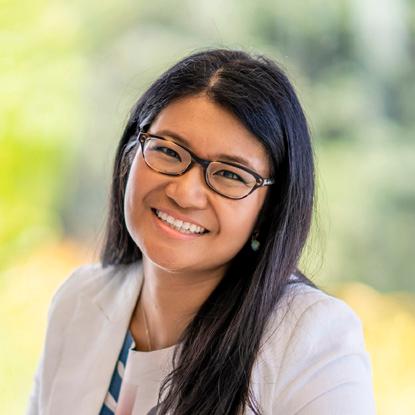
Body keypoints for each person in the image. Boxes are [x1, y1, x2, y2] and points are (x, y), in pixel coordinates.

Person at [26, 48, 376, 415]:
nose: (184, 193)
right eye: (169, 152)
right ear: (131, 153)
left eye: (229, 174)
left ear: (269, 209)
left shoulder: (312, 340)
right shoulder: (78, 300)